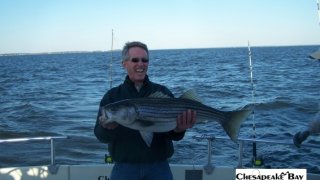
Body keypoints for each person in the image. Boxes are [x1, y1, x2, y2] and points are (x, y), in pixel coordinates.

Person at [94, 41, 196, 180]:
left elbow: (173, 135)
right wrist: (106, 128)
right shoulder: (112, 96)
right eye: (135, 60)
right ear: (124, 63)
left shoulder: (162, 92)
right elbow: (100, 136)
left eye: (145, 60)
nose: (140, 64)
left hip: (159, 167)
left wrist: (179, 130)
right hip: (124, 168)